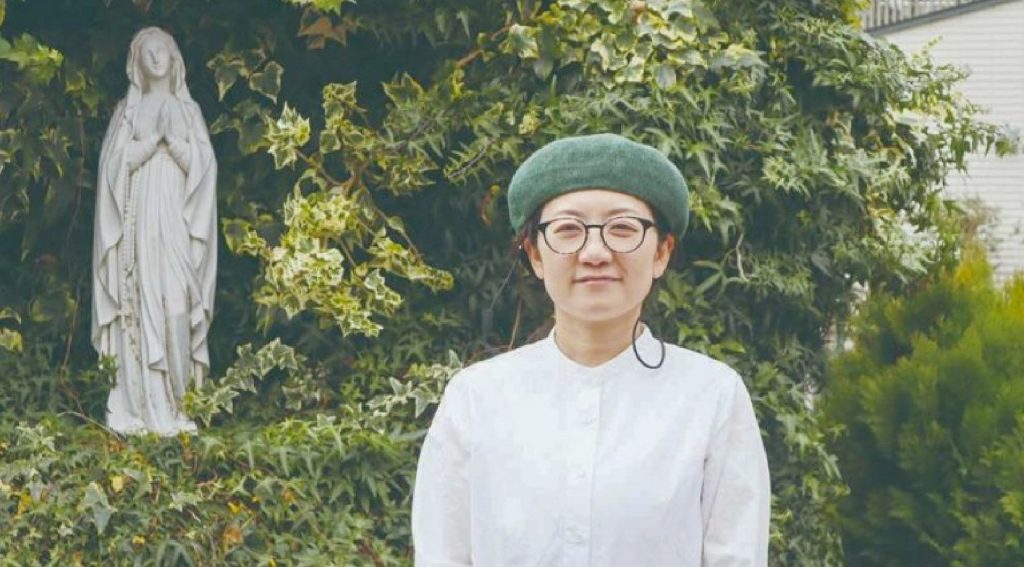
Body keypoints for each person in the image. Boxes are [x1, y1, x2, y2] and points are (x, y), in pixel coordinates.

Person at [411, 133, 770, 565]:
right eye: (568, 230)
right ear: (535, 254)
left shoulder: (712, 396)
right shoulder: (476, 399)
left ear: (662, 253)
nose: (595, 252)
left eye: (623, 228)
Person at [92, 27, 217, 435]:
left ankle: (180, 404)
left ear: (174, 56)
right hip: (139, 218)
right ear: (137, 63)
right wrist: (151, 144)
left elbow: (204, 169)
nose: (157, 56)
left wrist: (173, 145)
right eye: (148, 51)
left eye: (162, 48)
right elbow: (114, 167)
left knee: (177, 302)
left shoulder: (190, 112)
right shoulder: (127, 113)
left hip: (176, 217)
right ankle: (142, 404)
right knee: (141, 299)